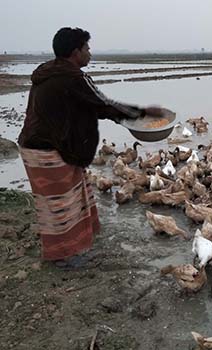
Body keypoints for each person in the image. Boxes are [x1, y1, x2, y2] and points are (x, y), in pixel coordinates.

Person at [17, 27, 162, 267]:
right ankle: (63, 256)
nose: (90, 53)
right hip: (48, 148)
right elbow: (102, 105)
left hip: (39, 145)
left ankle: (74, 247)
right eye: (87, 48)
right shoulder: (72, 77)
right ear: (75, 52)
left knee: (67, 198)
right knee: (60, 205)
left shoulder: (50, 73)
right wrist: (143, 114)